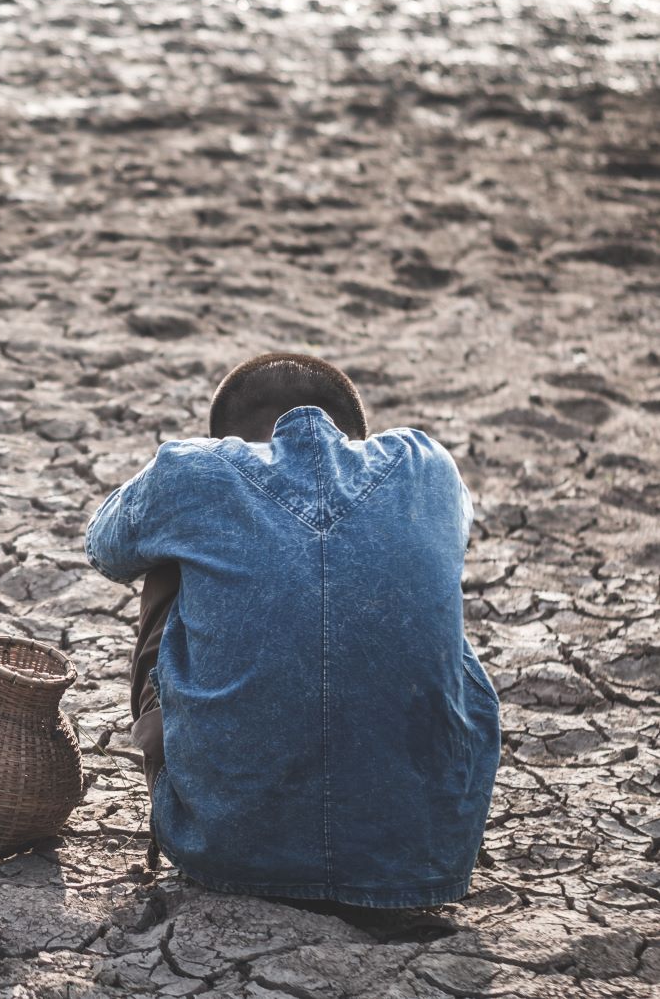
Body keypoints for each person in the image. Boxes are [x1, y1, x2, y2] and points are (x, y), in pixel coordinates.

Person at [85, 352, 500, 908]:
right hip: (423, 860)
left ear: (226, 441)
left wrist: (198, 478)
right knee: (401, 581)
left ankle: (203, 800)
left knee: (166, 561)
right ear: (353, 437)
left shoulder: (194, 470)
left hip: (222, 849)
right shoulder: (426, 464)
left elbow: (106, 549)